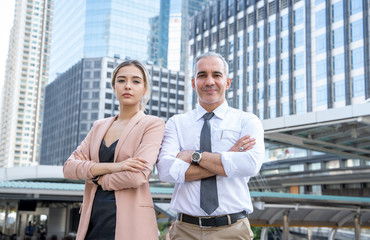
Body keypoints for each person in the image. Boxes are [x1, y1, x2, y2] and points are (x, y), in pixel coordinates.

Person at [157, 52, 265, 240]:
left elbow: (250, 164)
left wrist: (193, 155)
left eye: (216, 75)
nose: (209, 81)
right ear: (193, 83)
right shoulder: (176, 123)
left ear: (228, 82)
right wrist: (228, 158)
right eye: (202, 75)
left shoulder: (247, 121)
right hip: (184, 230)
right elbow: (165, 171)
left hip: (232, 230)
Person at [63, 60, 165, 240]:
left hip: (130, 222)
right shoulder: (99, 126)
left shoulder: (152, 124)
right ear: (114, 86)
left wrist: (96, 177)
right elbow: (69, 168)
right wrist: (116, 167)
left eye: (135, 81)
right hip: (92, 220)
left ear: (144, 89)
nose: (128, 86)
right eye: (121, 80)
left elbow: (137, 175)